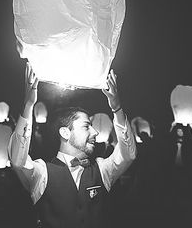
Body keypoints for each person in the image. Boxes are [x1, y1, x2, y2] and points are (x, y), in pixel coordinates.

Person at [9, 63, 137, 228]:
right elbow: (17, 160)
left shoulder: (102, 169)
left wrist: (117, 108)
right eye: (86, 126)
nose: (95, 132)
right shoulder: (42, 172)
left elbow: (129, 154)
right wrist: (28, 106)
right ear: (65, 133)